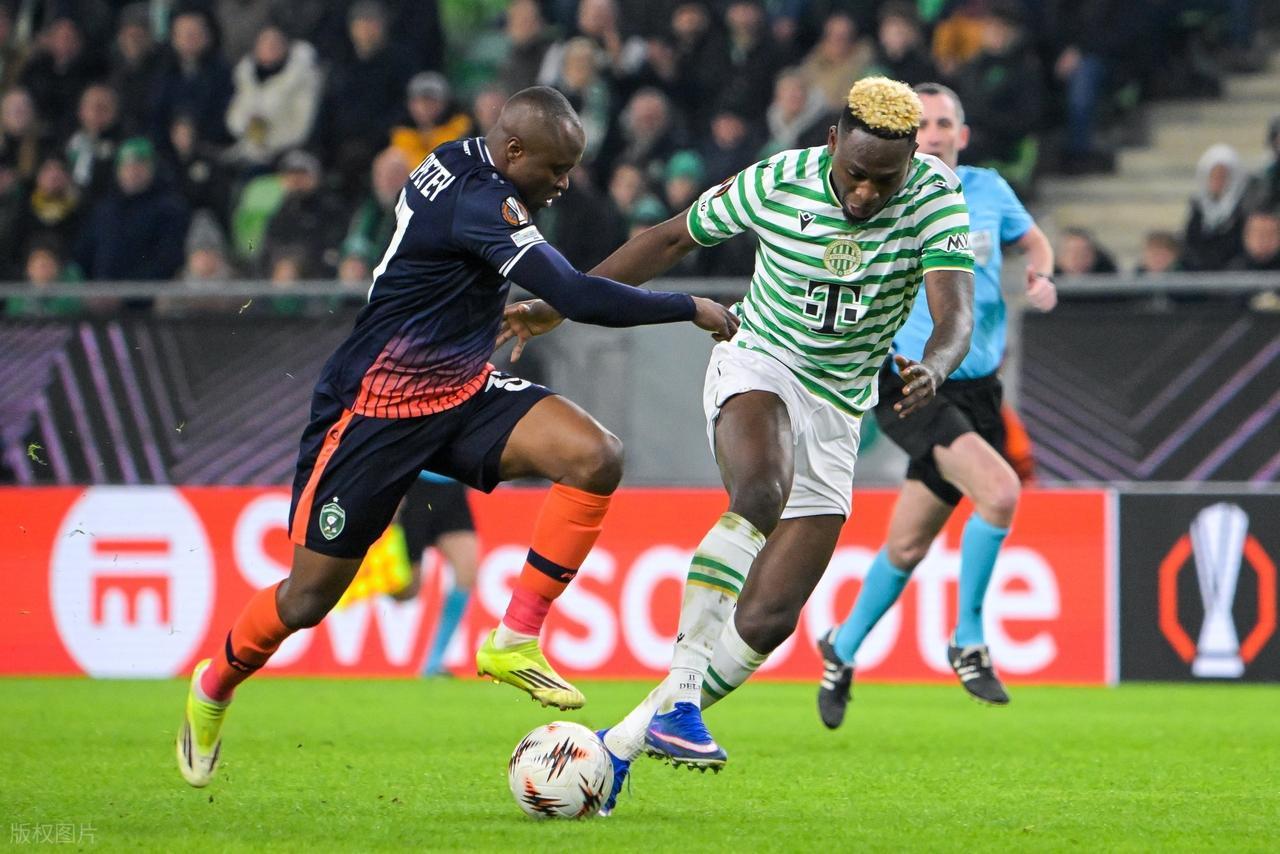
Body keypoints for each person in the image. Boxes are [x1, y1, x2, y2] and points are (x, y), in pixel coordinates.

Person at [175, 86, 738, 788]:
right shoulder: (481, 200)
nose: (563, 184)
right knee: (307, 599)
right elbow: (578, 294)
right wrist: (690, 306)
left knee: (595, 456)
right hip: (373, 411)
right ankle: (214, 686)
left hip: (462, 390)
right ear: (514, 151)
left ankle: (515, 637)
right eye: (556, 169)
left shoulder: (459, 160)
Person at [501, 77, 975, 814]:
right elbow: (667, 239)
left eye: (884, 181)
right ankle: (682, 698)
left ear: (911, 162)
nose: (865, 194)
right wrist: (560, 305)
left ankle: (621, 745)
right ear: (831, 143)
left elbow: (955, 314)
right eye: (854, 174)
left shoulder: (936, 197)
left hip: (841, 406)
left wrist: (935, 367)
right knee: (760, 491)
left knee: (769, 618)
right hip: (760, 361)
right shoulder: (777, 181)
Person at [817, 82, 1056, 727]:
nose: (934, 134)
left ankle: (841, 646)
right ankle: (968, 640)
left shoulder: (988, 191)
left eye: (944, 123)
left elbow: (1035, 242)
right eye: (921, 125)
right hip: (908, 380)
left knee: (907, 545)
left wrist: (1041, 271)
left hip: (979, 387)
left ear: (962, 134)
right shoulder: (892, 195)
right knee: (999, 492)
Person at [392, 472, 480, 677]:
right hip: (413, 486)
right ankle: (363, 576)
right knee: (407, 591)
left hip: (452, 487)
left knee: (467, 573)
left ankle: (433, 663)